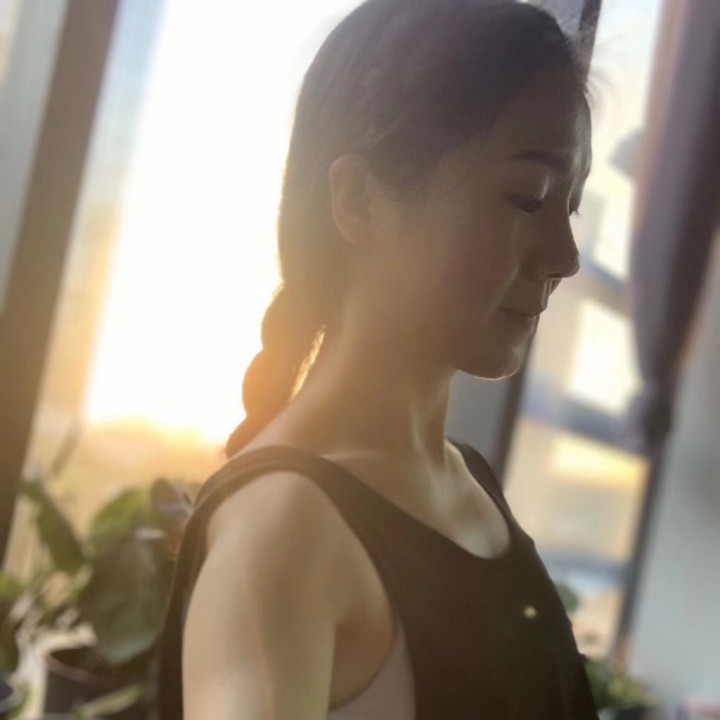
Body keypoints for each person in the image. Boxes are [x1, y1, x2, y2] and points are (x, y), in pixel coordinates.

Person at [156, 0, 599, 717]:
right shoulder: (287, 529)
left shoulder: (469, 484)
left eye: (569, 208)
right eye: (528, 199)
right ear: (359, 201)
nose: (566, 256)